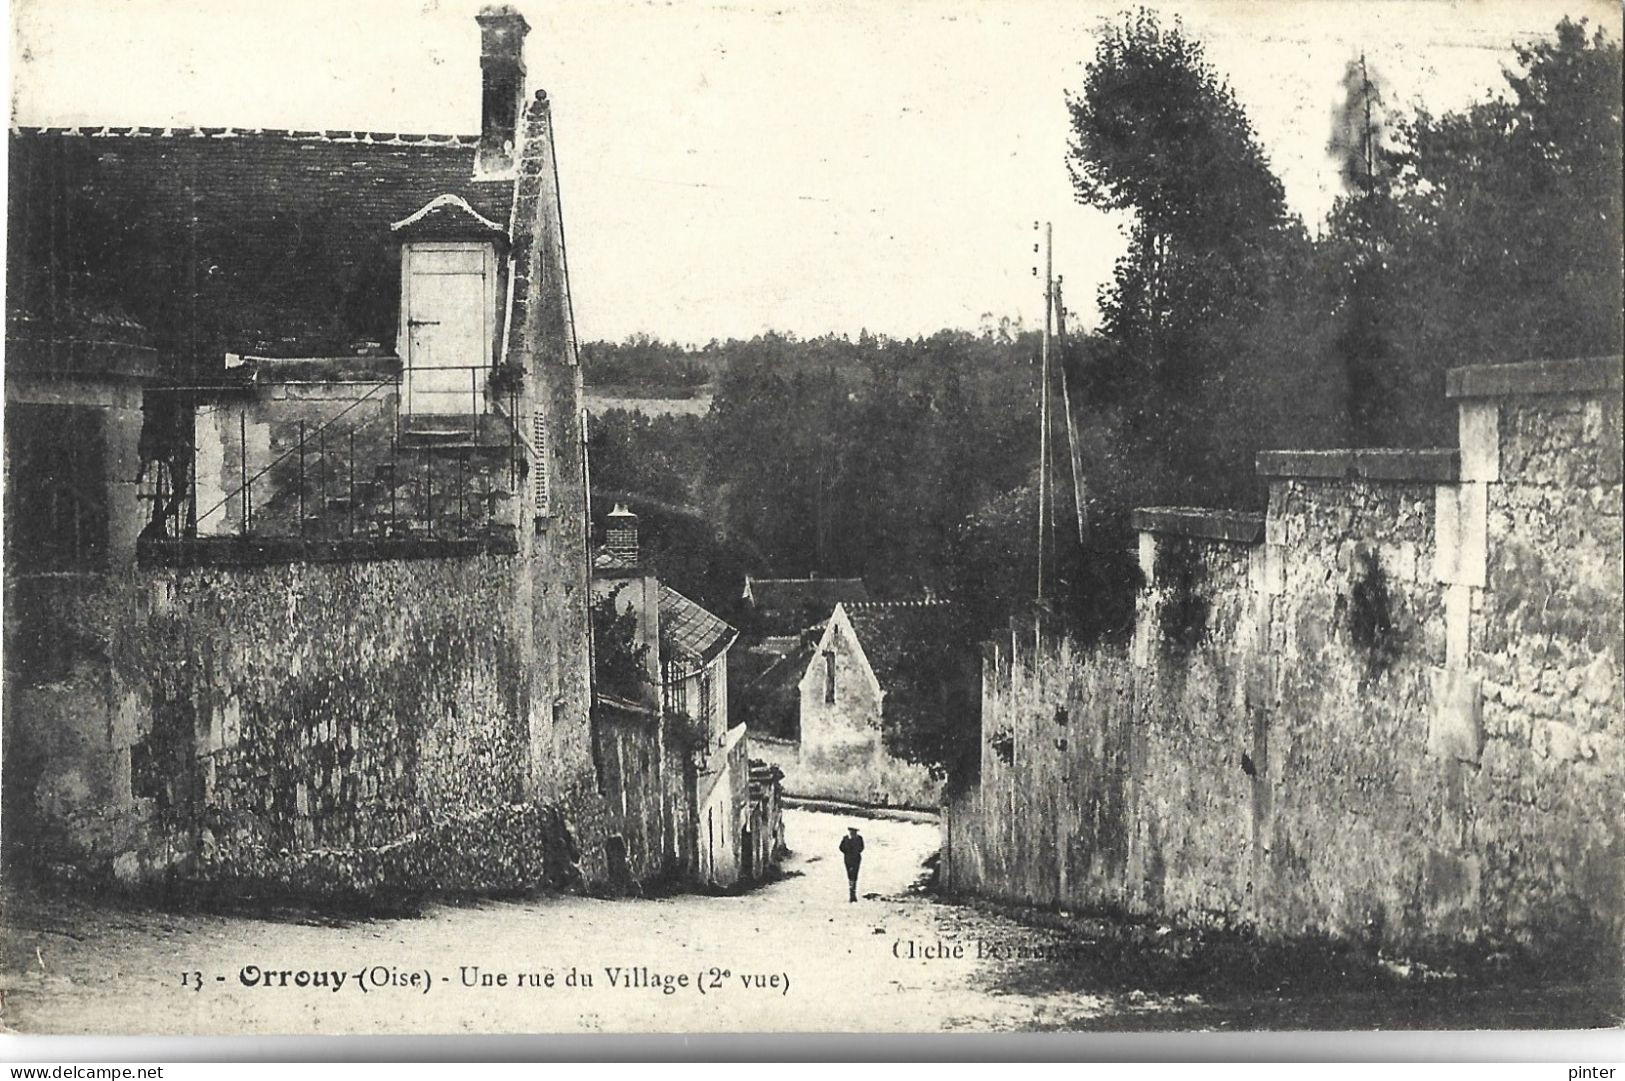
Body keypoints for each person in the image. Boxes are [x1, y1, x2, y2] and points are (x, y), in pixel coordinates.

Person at [838, 826, 864, 902]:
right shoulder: (845, 838)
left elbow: (861, 847)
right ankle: (852, 893)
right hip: (848, 859)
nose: (853, 833)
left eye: (854, 832)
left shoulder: (859, 838)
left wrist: (856, 852)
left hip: (856, 859)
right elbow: (841, 847)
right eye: (852, 832)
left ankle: (853, 893)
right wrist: (847, 852)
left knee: (854, 875)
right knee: (850, 875)